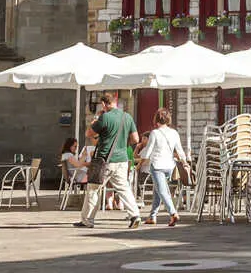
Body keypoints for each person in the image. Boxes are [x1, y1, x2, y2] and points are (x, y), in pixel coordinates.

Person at [76, 93, 142, 229]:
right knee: (124, 188)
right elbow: (136, 139)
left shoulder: (105, 117)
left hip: (104, 160)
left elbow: (89, 134)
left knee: (93, 189)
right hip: (122, 160)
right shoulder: (127, 116)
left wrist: (95, 121)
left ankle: (87, 220)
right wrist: (123, 146)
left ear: (105, 104)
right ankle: (135, 215)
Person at [139, 108, 186, 227]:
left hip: (157, 165)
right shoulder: (174, 133)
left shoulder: (154, 133)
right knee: (158, 190)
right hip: (170, 166)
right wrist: (184, 161)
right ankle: (152, 216)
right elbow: (179, 150)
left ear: (156, 120)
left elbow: (148, 152)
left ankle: (173, 213)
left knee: (162, 191)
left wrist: (140, 161)